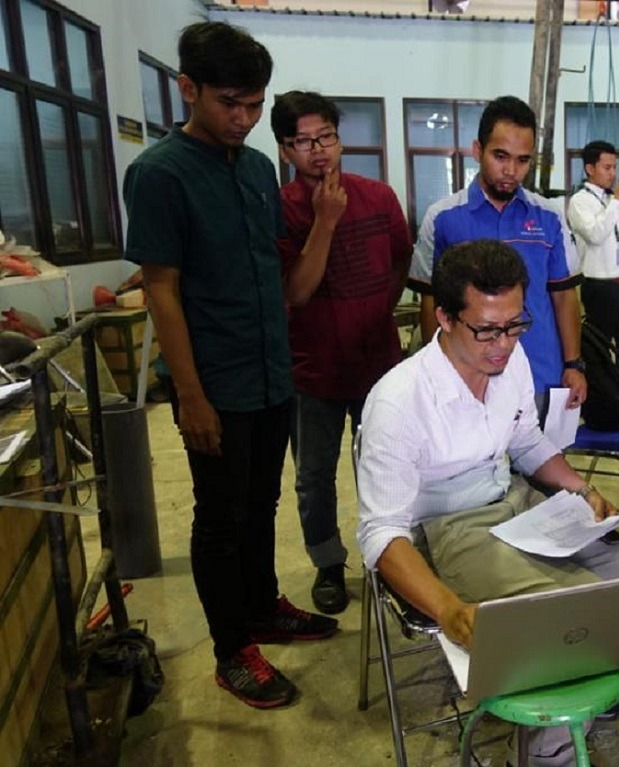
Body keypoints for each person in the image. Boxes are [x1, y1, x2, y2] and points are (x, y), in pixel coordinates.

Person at [358, 239, 619, 767]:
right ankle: (549, 751)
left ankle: (580, 695)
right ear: (446, 318)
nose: (503, 344)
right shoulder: (399, 401)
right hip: (449, 525)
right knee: (567, 626)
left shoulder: (509, 358)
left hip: (515, 501)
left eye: (515, 325)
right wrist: (450, 609)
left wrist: (582, 492)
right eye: (487, 330)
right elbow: (382, 533)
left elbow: (525, 440)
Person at [123, 22, 337, 710]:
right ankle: (230, 649)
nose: (243, 119)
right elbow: (161, 288)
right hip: (215, 380)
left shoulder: (253, 168)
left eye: (254, 105)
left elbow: (274, 273)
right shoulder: (158, 174)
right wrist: (189, 395)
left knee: (262, 503)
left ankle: (262, 605)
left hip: (273, 371)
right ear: (188, 89)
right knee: (220, 514)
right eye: (229, 104)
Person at [270, 91, 413, 615]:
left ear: (339, 136)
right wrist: (326, 219)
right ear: (286, 150)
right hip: (312, 371)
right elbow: (296, 292)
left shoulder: (379, 196)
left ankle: (393, 560)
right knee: (313, 476)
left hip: (379, 367)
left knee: (388, 467)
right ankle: (329, 565)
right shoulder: (280, 210)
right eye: (303, 142)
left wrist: (375, 311)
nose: (318, 151)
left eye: (326, 136)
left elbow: (400, 264)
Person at [409, 95, 586, 417]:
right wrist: (438, 371)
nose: (510, 171)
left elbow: (563, 297)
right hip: (467, 381)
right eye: (500, 156)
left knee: (543, 464)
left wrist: (573, 364)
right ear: (478, 151)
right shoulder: (443, 218)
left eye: (522, 160)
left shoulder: (549, 217)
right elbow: (431, 303)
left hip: (541, 376)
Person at [567, 140, 619, 379]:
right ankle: (602, 404)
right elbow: (596, 234)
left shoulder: (611, 202)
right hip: (599, 287)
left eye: (614, 167)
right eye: (607, 167)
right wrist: (616, 201)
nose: (612, 173)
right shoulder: (579, 202)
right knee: (599, 351)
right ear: (590, 168)